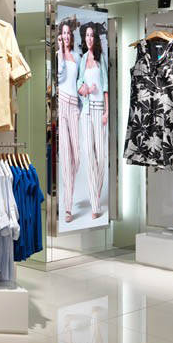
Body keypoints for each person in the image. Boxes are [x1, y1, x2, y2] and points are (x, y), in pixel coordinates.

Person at [77, 22, 108, 219]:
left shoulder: (100, 59)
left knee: (101, 157)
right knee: (89, 155)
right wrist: (86, 89)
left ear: (95, 39)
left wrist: (106, 112)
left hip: (99, 110)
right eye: (86, 35)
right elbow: (78, 83)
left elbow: (106, 87)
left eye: (91, 36)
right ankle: (95, 206)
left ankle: (96, 190)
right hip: (86, 112)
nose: (89, 38)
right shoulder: (82, 60)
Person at [56, 19, 81, 223]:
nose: (65, 36)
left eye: (68, 33)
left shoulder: (78, 56)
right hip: (62, 104)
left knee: (77, 156)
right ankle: (68, 207)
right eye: (63, 33)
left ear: (71, 36)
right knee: (65, 157)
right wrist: (60, 51)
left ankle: (70, 187)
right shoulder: (59, 56)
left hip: (75, 107)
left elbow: (79, 81)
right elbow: (60, 75)